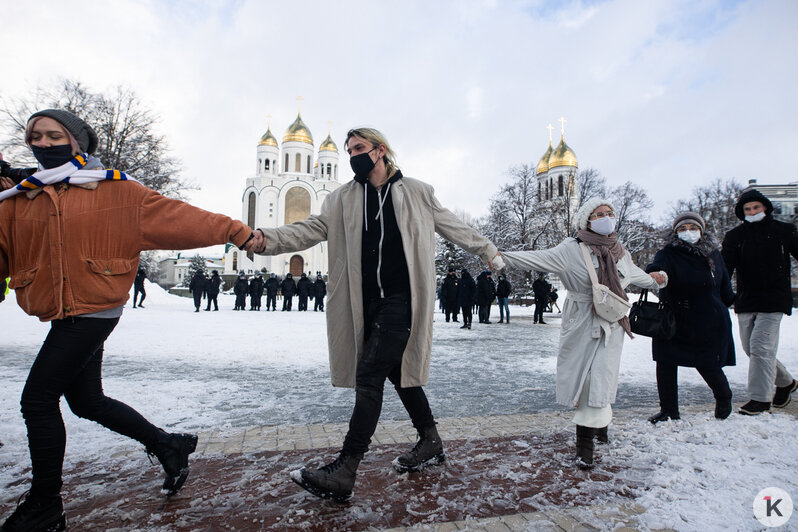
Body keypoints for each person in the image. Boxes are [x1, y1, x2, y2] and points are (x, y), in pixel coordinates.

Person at [0, 109, 257, 531]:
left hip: (95, 308)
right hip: (64, 308)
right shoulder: (23, 197)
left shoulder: (117, 191)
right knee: (85, 401)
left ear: (78, 142)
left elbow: (179, 218)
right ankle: (168, 445)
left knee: (37, 399)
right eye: (35, 137)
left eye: (53, 135)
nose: (43, 144)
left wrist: (235, 230)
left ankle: (45, 505)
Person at [252, 127, 500, 501]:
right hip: (364, 304)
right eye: (349, 149)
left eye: (359, 148)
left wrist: (487, 250)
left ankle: (346, 468)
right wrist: (265, 240)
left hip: (402, 301)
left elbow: (452, 225)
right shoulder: (341, 199)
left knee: (369, 375)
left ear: (380, 151)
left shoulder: (416, 191)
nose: (353, 154)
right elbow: (308, 230)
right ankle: (430, 440)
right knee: (400, 374)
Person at [501, 198, 666, 469]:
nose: (606, 217)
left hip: (613, 323)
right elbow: (538, 258)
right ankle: (594, 432)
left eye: (609, 213)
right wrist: (500, 256)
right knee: (586, 379)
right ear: (586, 221)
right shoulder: (571, 249)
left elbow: (637, 276)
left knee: (600, 377)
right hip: (582, 320)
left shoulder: (621, 252)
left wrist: (659, 279)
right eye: (599, 214)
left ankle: (587, 440)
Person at [645, 212, 735, 424]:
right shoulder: (668, 253)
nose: (688, 232)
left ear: (701, 231)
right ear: (675, 233)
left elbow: (724, 285)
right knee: (666, 362)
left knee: (706, 361)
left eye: (692, 228)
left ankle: (724, 396)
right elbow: (655, 268)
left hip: (707, 317)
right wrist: (654, 274)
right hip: (674, 316)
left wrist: (728, 302)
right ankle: (668, 410)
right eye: (682, 229)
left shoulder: (713, 254)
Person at [722, 190, 798, 414]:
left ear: (765, 207)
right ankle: (785, 382)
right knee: (751, 349)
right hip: (746, 300)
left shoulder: (783, 231)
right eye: (748, 209)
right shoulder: (735, 236)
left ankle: (760, 400)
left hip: (775, 299)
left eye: (756, 207)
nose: (753, 212)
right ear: (742, 212)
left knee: (761, 348)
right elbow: (725, 270)